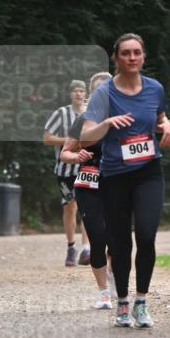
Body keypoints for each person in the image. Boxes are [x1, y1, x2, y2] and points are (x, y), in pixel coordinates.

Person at [80, 34, 170, 328]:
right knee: (120, 242)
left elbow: (159, 118)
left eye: (137, 52)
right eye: (126, 53)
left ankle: (141, 302)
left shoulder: (155, 88)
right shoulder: (104, 93)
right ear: (116, 58)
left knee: (146, 235)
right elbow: (85, 136)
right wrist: (107, 123)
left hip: (149, 171)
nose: (132, 58)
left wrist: (167, 126)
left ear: (143, 56)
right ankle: (122, 302)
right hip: (114, 175)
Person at [59, 72, 114, 309]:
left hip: (118, 185)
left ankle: (113, 275)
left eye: (108, 89)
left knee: (117, 239)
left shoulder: (125, 118)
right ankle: (103, 292)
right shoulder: (83, 120)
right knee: (97, 239)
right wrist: (76, 156)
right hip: (88, 185)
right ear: (93, 93)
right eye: (99, 90)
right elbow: (65, 153)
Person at [43, 80, 91, 266]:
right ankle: (71, 247)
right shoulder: (61, 113)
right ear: (70, 94)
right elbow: (47, 138)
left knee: (87, 206)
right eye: (75, 91)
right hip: (65, 170)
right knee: (70, 206)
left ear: (86, 94)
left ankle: (86, 249)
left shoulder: (92, 114)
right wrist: (70, 141)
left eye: (81, 91)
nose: (78, 94)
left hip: (87, 167)